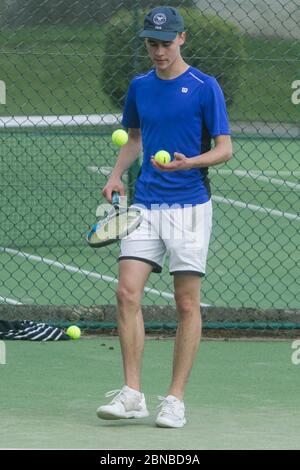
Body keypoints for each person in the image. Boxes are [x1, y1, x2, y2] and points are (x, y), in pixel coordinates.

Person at [97, 5, 232, 428]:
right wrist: (117, 174)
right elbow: (134, 137)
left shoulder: (205, 87)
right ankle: (132, 393)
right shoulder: (139, 87)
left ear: (182, 39)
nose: (158, 51)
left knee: (186, 302)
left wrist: (189, 162)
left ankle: (174, 399)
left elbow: (224, 148)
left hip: (190, 206)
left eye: (165, 43)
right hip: (145, 205)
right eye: (151, 44)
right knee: (126, 292)